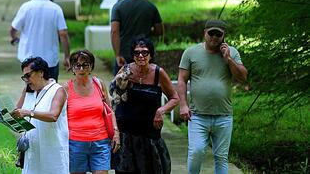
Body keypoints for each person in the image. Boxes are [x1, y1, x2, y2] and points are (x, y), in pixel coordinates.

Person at [178, 20, 248, 174]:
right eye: (211, 33)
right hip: (198, 115)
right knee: (196, 152)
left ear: (223, 36)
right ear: (205, 33)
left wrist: (228, 59)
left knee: (221, 157)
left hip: (223, 115)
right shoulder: (191, 52)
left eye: (218, 34)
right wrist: (183, 105)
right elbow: (182, 80)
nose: (214, 37)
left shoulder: (232, 52)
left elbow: (242, 77)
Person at [112, 37, 178, 174]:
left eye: (145, 52)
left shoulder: (158, 73)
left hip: (149, 134)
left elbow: (174, 98)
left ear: (150, 55)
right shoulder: (125, 70)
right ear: (132, 55)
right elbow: (113, 96)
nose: (141, 56)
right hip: (127, 133)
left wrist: (161, 111)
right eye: (137, 53)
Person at [11, 56, 69, 174]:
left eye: (28, 75)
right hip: (31, 151)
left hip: (53, 152)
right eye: (24, 77)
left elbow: (53, 116)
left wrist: (29, 113)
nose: (26, 80)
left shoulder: (57, 90)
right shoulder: (27, 91)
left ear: (41, 73)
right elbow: (16, 112)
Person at [66, 50, 119, 174]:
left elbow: (110, 110)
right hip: (75, 143)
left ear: (91, 67)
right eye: (77, 65)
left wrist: (116, 132)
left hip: (100, 142)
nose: (81, 69)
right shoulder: (66, 88)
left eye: (85, 65)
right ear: (72, 68)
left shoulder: (99, 84)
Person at [10, 0, 70, 81]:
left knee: (31, 88)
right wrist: (67, 56)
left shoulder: (26, 7)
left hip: (28, 60)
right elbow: (63, 34)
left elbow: (13, 29)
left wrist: (14, 38)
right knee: (51, 88)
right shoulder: (56, 9)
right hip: (50, 60)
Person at [110, 0, 163, 74]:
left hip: (125, 54)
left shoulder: (118, 7)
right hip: (145, 54)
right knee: (147, 80)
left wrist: (117, 55)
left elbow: (114, 31)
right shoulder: (150, 6)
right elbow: (159, 30)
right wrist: (147, 31)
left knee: (122, 82)